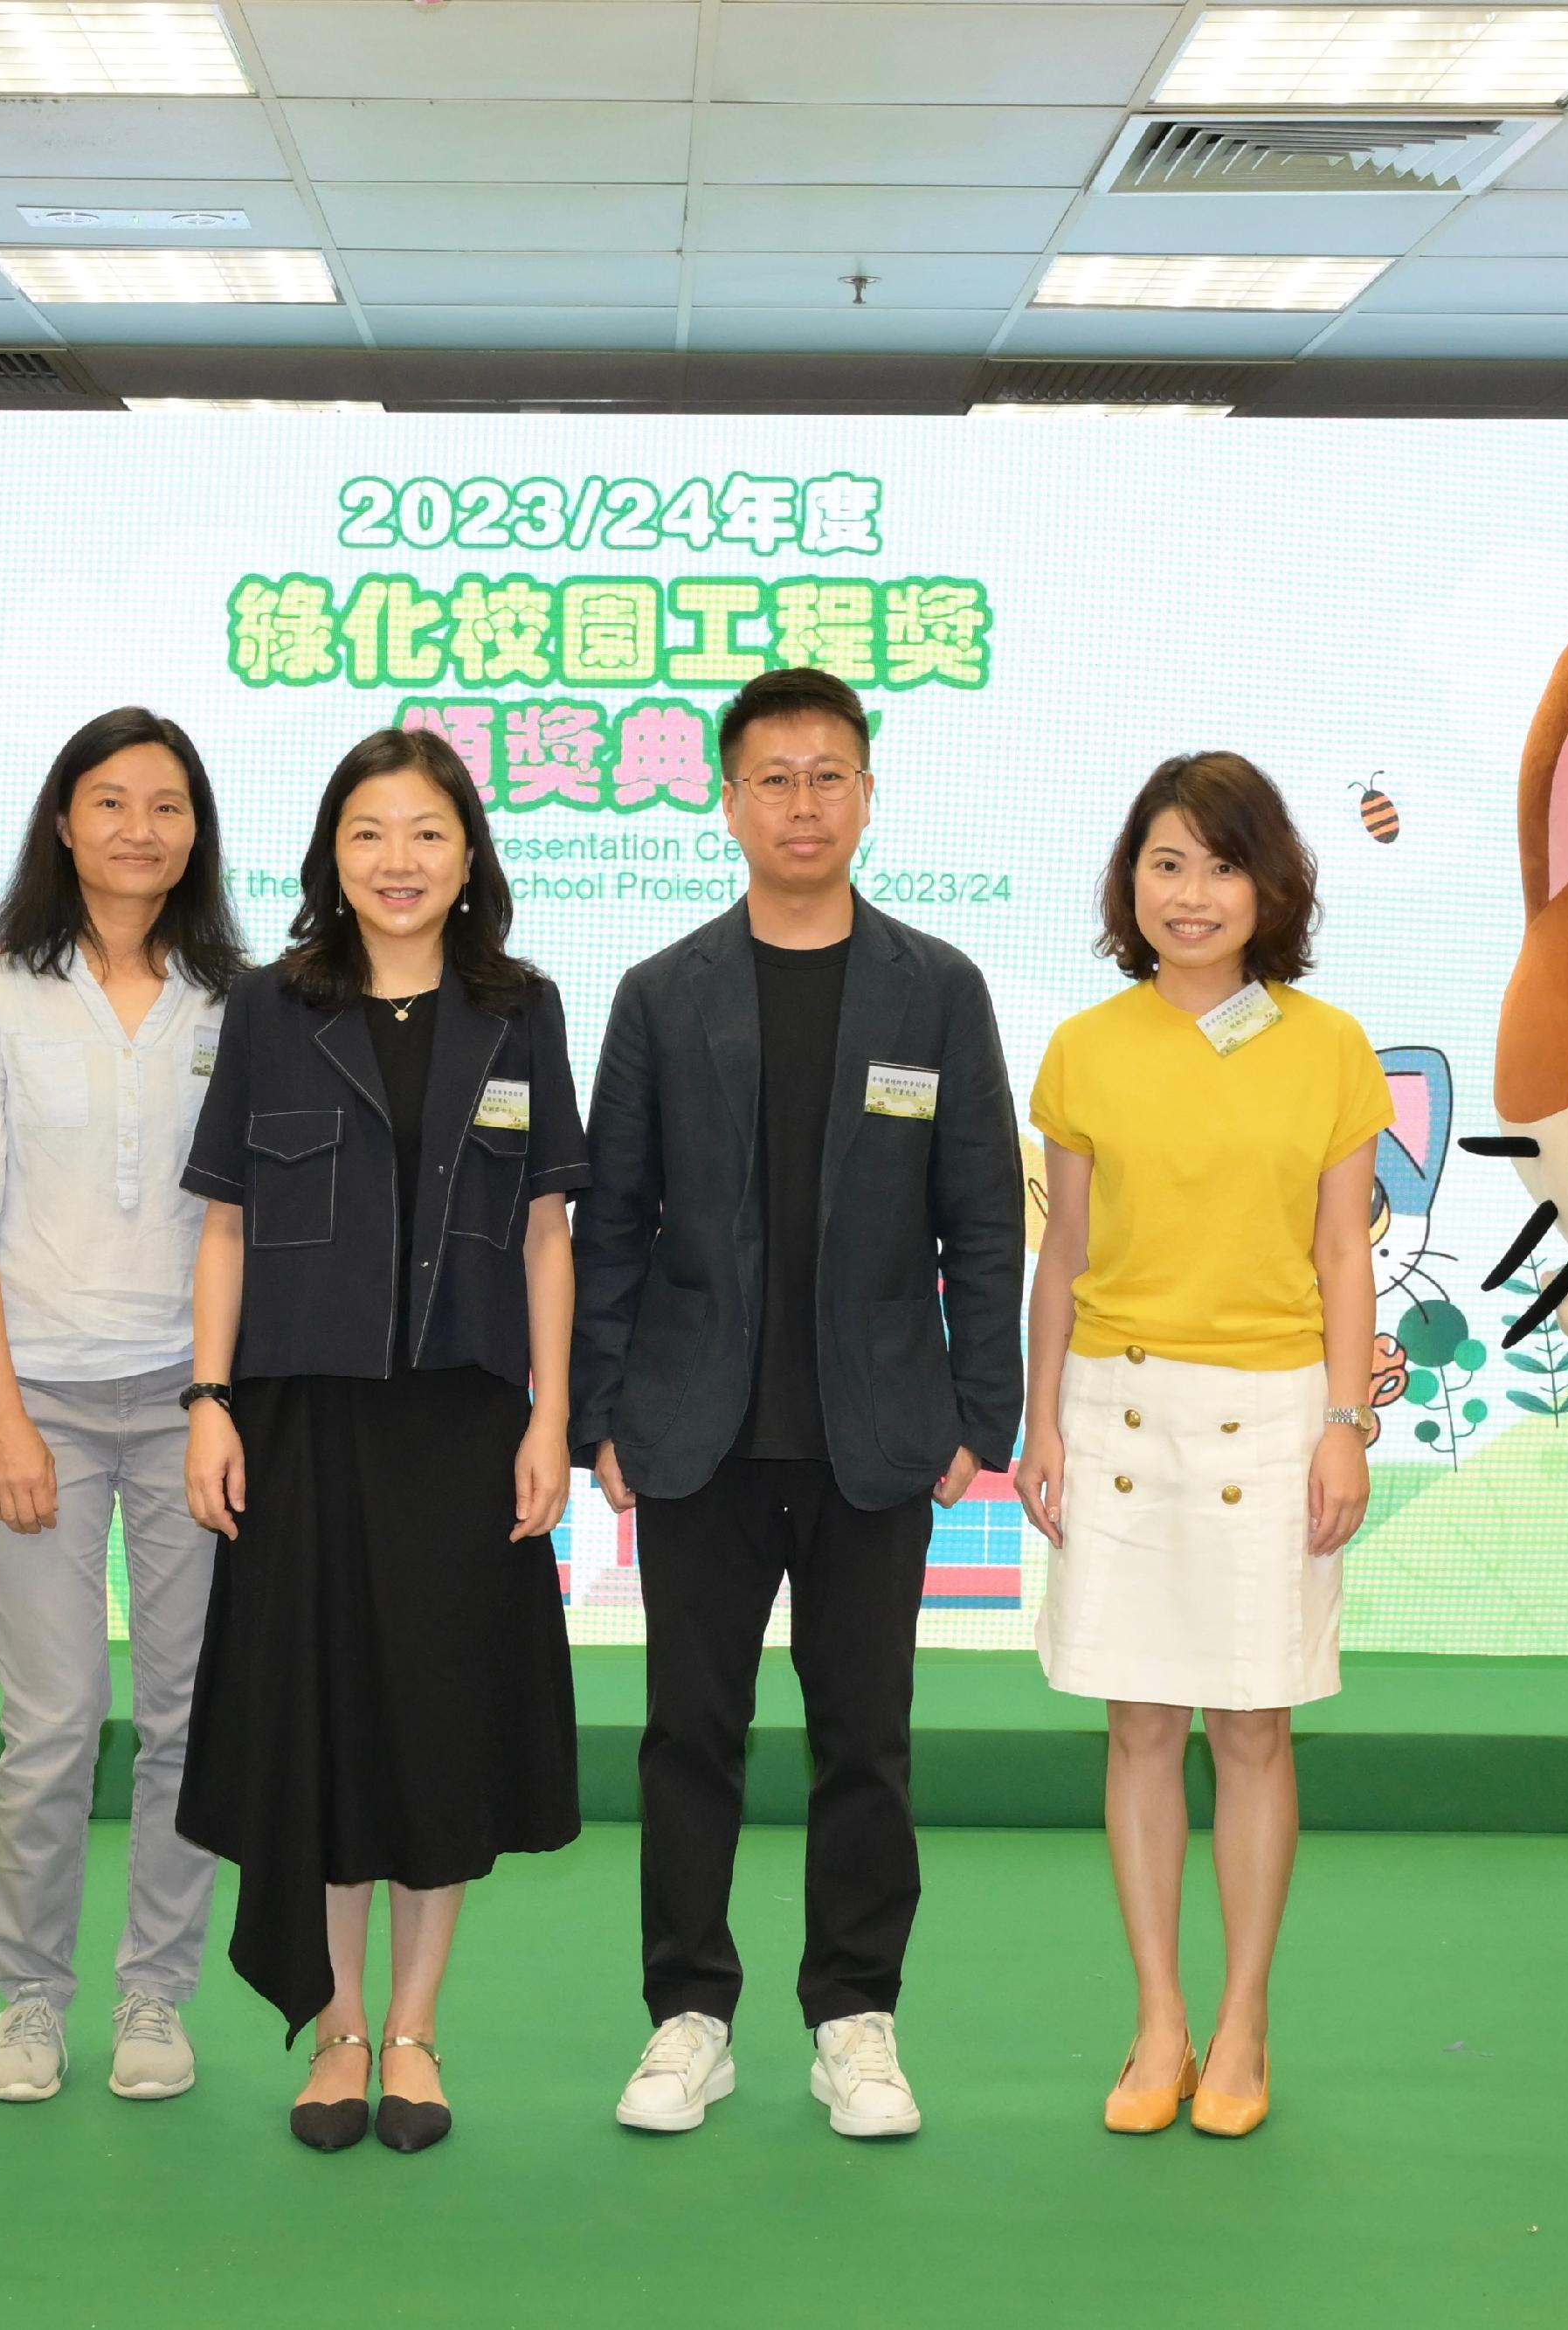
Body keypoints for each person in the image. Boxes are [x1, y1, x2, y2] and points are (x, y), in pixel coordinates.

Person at [573, 667, 1026, 2141]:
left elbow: (983, 1222)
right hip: (696, 1435)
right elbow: (614, 1221)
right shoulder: (660, 994)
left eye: (830, 774)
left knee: (864, 1741)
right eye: (775, 777)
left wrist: (983, 1411)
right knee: (686, 1737)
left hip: (880, 1437)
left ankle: (855, 2018)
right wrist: (600, 1412)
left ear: (869, 796)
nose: (803, 803)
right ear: (726, 798)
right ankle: (686, 2018)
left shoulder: (938, 989)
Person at [176, 725, 588, 2157]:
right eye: (369, 832)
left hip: (466, 1423)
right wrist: (209, 1401)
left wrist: (552, 1415)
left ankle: (415, 2030)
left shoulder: (521, 1010)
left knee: (437, 1723)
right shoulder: (274, 1007)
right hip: (303, 1418)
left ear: (469, 853)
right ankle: (336, 2030)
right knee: (323, 1721)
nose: (397, 861)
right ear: (328, 856)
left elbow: (547, 1233)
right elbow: (226, 1223)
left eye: (425, 833)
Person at [1014, 750, 1390, 2140]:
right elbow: (1062, 1257)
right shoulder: (1084, 1046)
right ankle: (1158, 2017)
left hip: (1277, 1411)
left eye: (1222, 865)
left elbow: (1346, 1250)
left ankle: (1244, 2020)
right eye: (1166, 862)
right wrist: (1039, 1415)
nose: (1192, 893)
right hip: (1116, 1410)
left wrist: (1348, 1424)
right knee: (1138, 1725)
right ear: (1130, 881)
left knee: (1250, 1723)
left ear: (1271, 885)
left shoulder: (1333, 1046)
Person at [0, 706, 249, 2109]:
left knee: (186, 1721)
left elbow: (251, 1216)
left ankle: (157, 1998)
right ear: (63, 822)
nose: (138, 829)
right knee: (53, 1727)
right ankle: (31, 2003)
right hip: (40, 1404)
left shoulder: (244, 999)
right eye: (108, 801)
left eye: (165, 805)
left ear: (197, 831)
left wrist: (224, 1398)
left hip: (192, 1404)